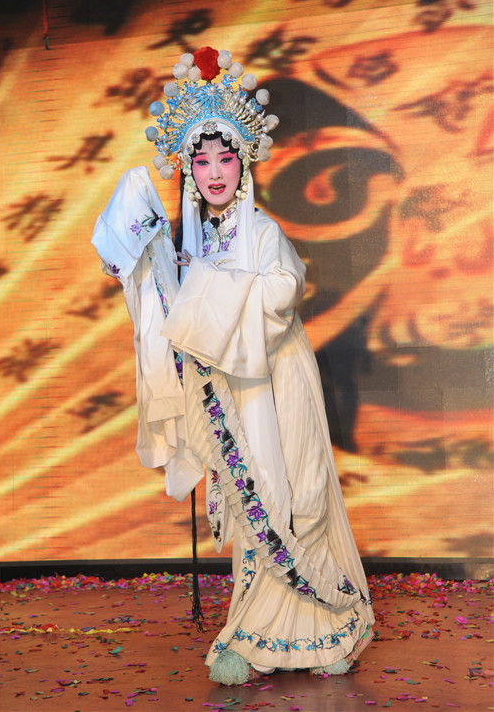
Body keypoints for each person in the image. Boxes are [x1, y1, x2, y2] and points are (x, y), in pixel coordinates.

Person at [92, 47, 375, 685]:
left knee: (293, 496)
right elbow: (176, 308)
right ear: (188, 169)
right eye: (201, 160)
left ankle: (321, 631)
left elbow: (283, 290)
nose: (214, 171)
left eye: (225, 157)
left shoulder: (262, 230)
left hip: (276, 378)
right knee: (253, 508)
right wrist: (144, 269)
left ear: (243, 162)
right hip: (230, 387)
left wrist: (208, 286)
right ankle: (256, 634)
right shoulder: (194, 238)